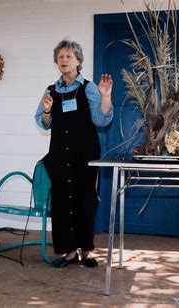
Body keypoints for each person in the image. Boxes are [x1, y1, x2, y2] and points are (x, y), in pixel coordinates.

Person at [35, 39, 113, 268]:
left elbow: (101, 119)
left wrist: (105, 97)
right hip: (59, 154)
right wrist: (47, 111)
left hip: (85, 155)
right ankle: (68, 251)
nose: (64, 60)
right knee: (61, 202)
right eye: (60, 57)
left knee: (85, 200)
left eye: (69, 56)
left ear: (78, 61)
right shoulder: (51, 90)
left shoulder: (88, 87)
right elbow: (43, 122)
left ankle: (86, 250)